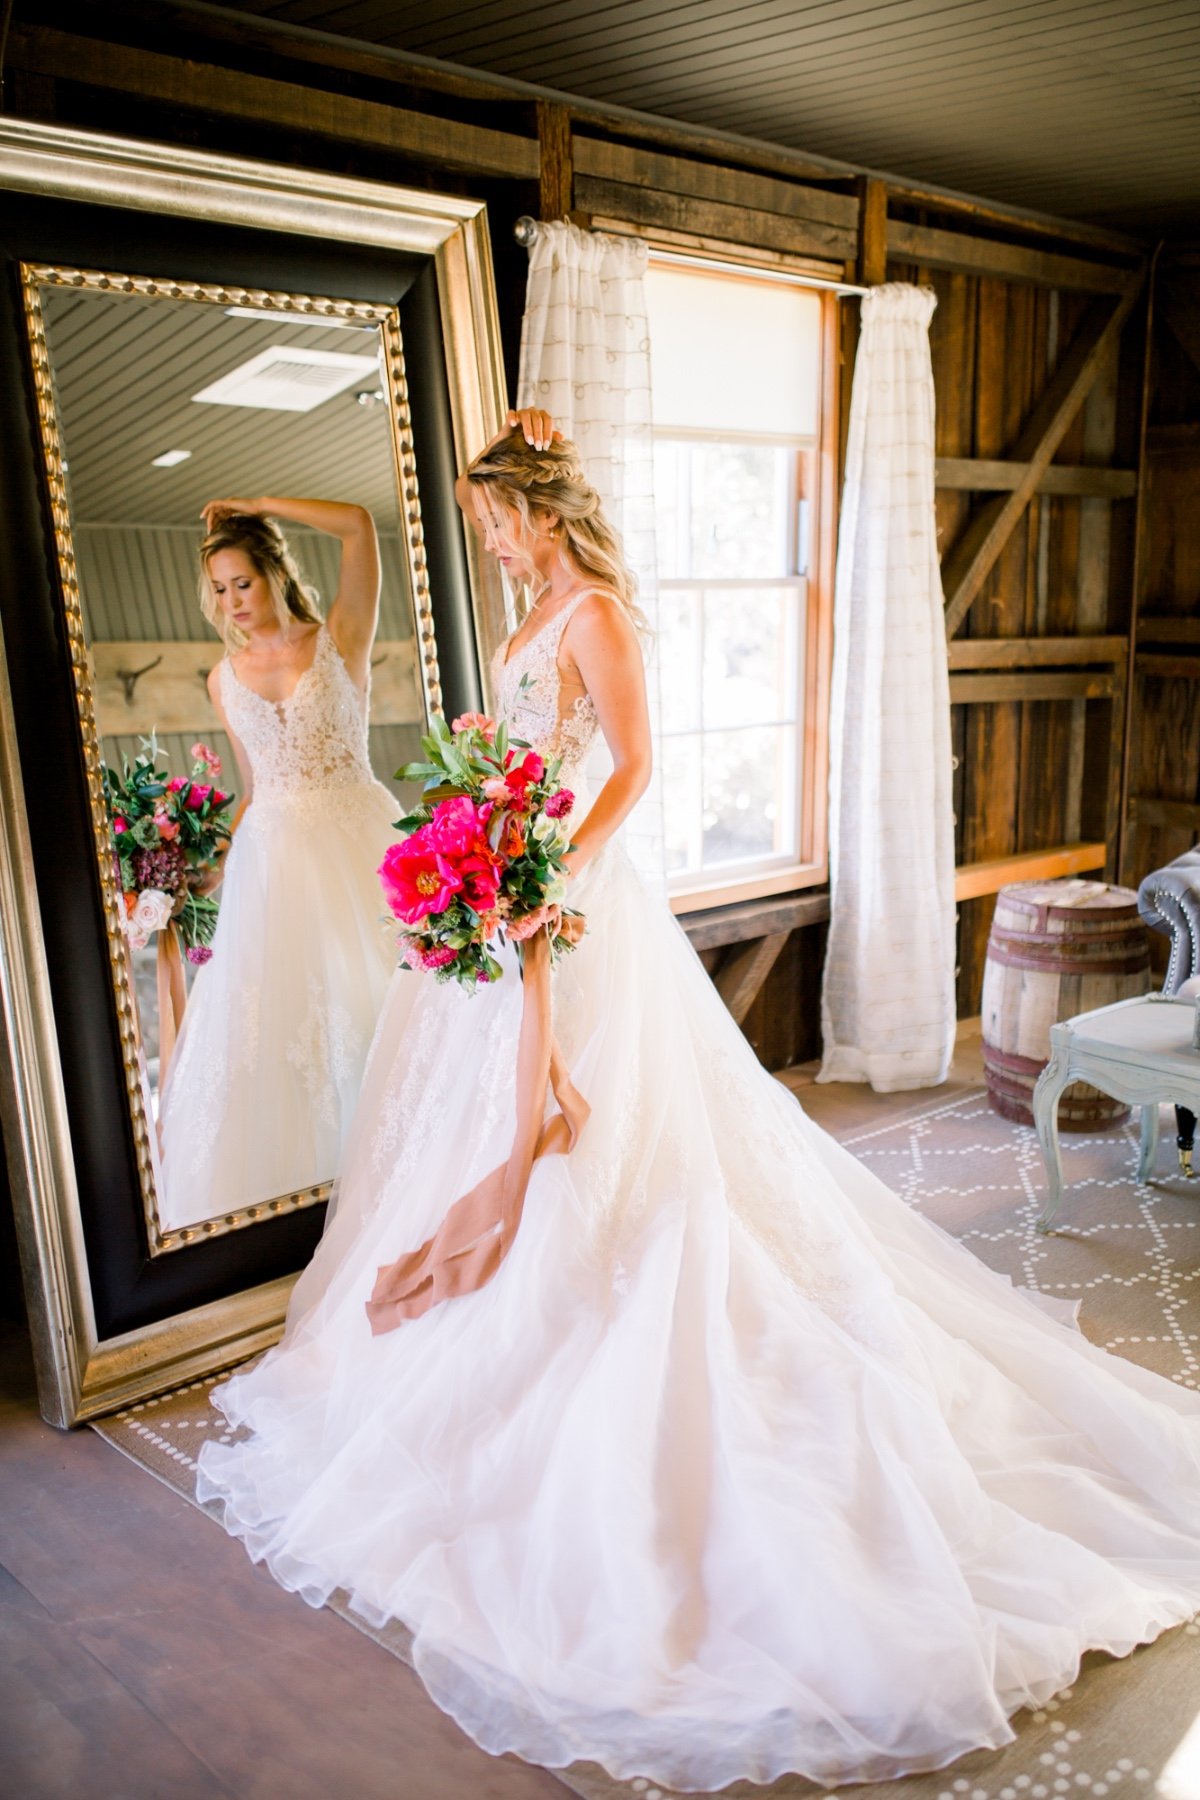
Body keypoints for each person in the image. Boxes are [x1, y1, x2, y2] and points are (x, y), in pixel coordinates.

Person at [197, 417, 1200, 1793]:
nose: (487, 537)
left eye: (496, 517)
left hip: (574, 895)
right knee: (459, 1119)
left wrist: (549, 860)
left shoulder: (594, 610)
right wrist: (488, 839)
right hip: (509, 891)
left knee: (632, 1160)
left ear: (542, 513)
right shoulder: (532, 607)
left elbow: (633, 768)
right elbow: (512, 747)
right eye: (482, 520)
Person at [156, 497, 402, 1233]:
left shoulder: (340, 638)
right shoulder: (221, 678)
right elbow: (255, 786)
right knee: (283, 1035)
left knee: (377, 1009)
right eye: (220, 589)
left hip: (357, 842)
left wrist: (258, 505)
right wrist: (204, 871)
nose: (232, 603)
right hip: (273, 869)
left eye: (243, 583)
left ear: (274, 573)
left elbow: (358, 525)